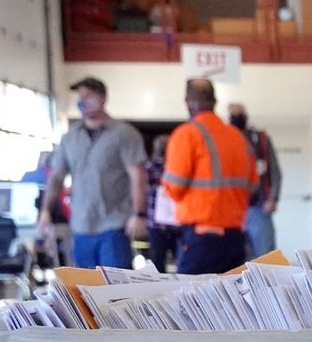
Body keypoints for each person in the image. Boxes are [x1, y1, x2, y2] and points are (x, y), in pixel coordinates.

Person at [40, 77, 148, 268]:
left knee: (115, 290)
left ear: (103, 98)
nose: (83, 101)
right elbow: (57, 176)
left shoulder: (123, 134)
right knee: (84, 289)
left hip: (113, 225)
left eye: (89, 96)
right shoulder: (70, 137)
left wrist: (139, 214)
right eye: (80, 96)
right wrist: (46, 211)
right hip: (81, 225)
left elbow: (137, 175)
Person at [162, 78, 257, 274]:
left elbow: (174, 188)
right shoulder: (237, 136)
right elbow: (253, 187)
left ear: (187, 101)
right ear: (215, 101)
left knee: (190, 301)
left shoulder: (186, 135)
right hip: (235, 237)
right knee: (231, 301)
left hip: (202, 237)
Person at [227, 102, 281, 258]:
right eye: (234, 116)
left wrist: (273, 198)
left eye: (240, 115)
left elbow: (275, 171)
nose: (237, 119)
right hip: (232, 211)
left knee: (265, 257)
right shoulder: (223, 141)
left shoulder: (260, 139)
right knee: (237, 259)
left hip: (259, 207)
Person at [143, 134, 181, 272]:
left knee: (157, 263)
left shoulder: (149, 166)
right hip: (177, 221)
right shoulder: (178, 168)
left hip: (155, 223)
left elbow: (144, 190)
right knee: (182, 263)